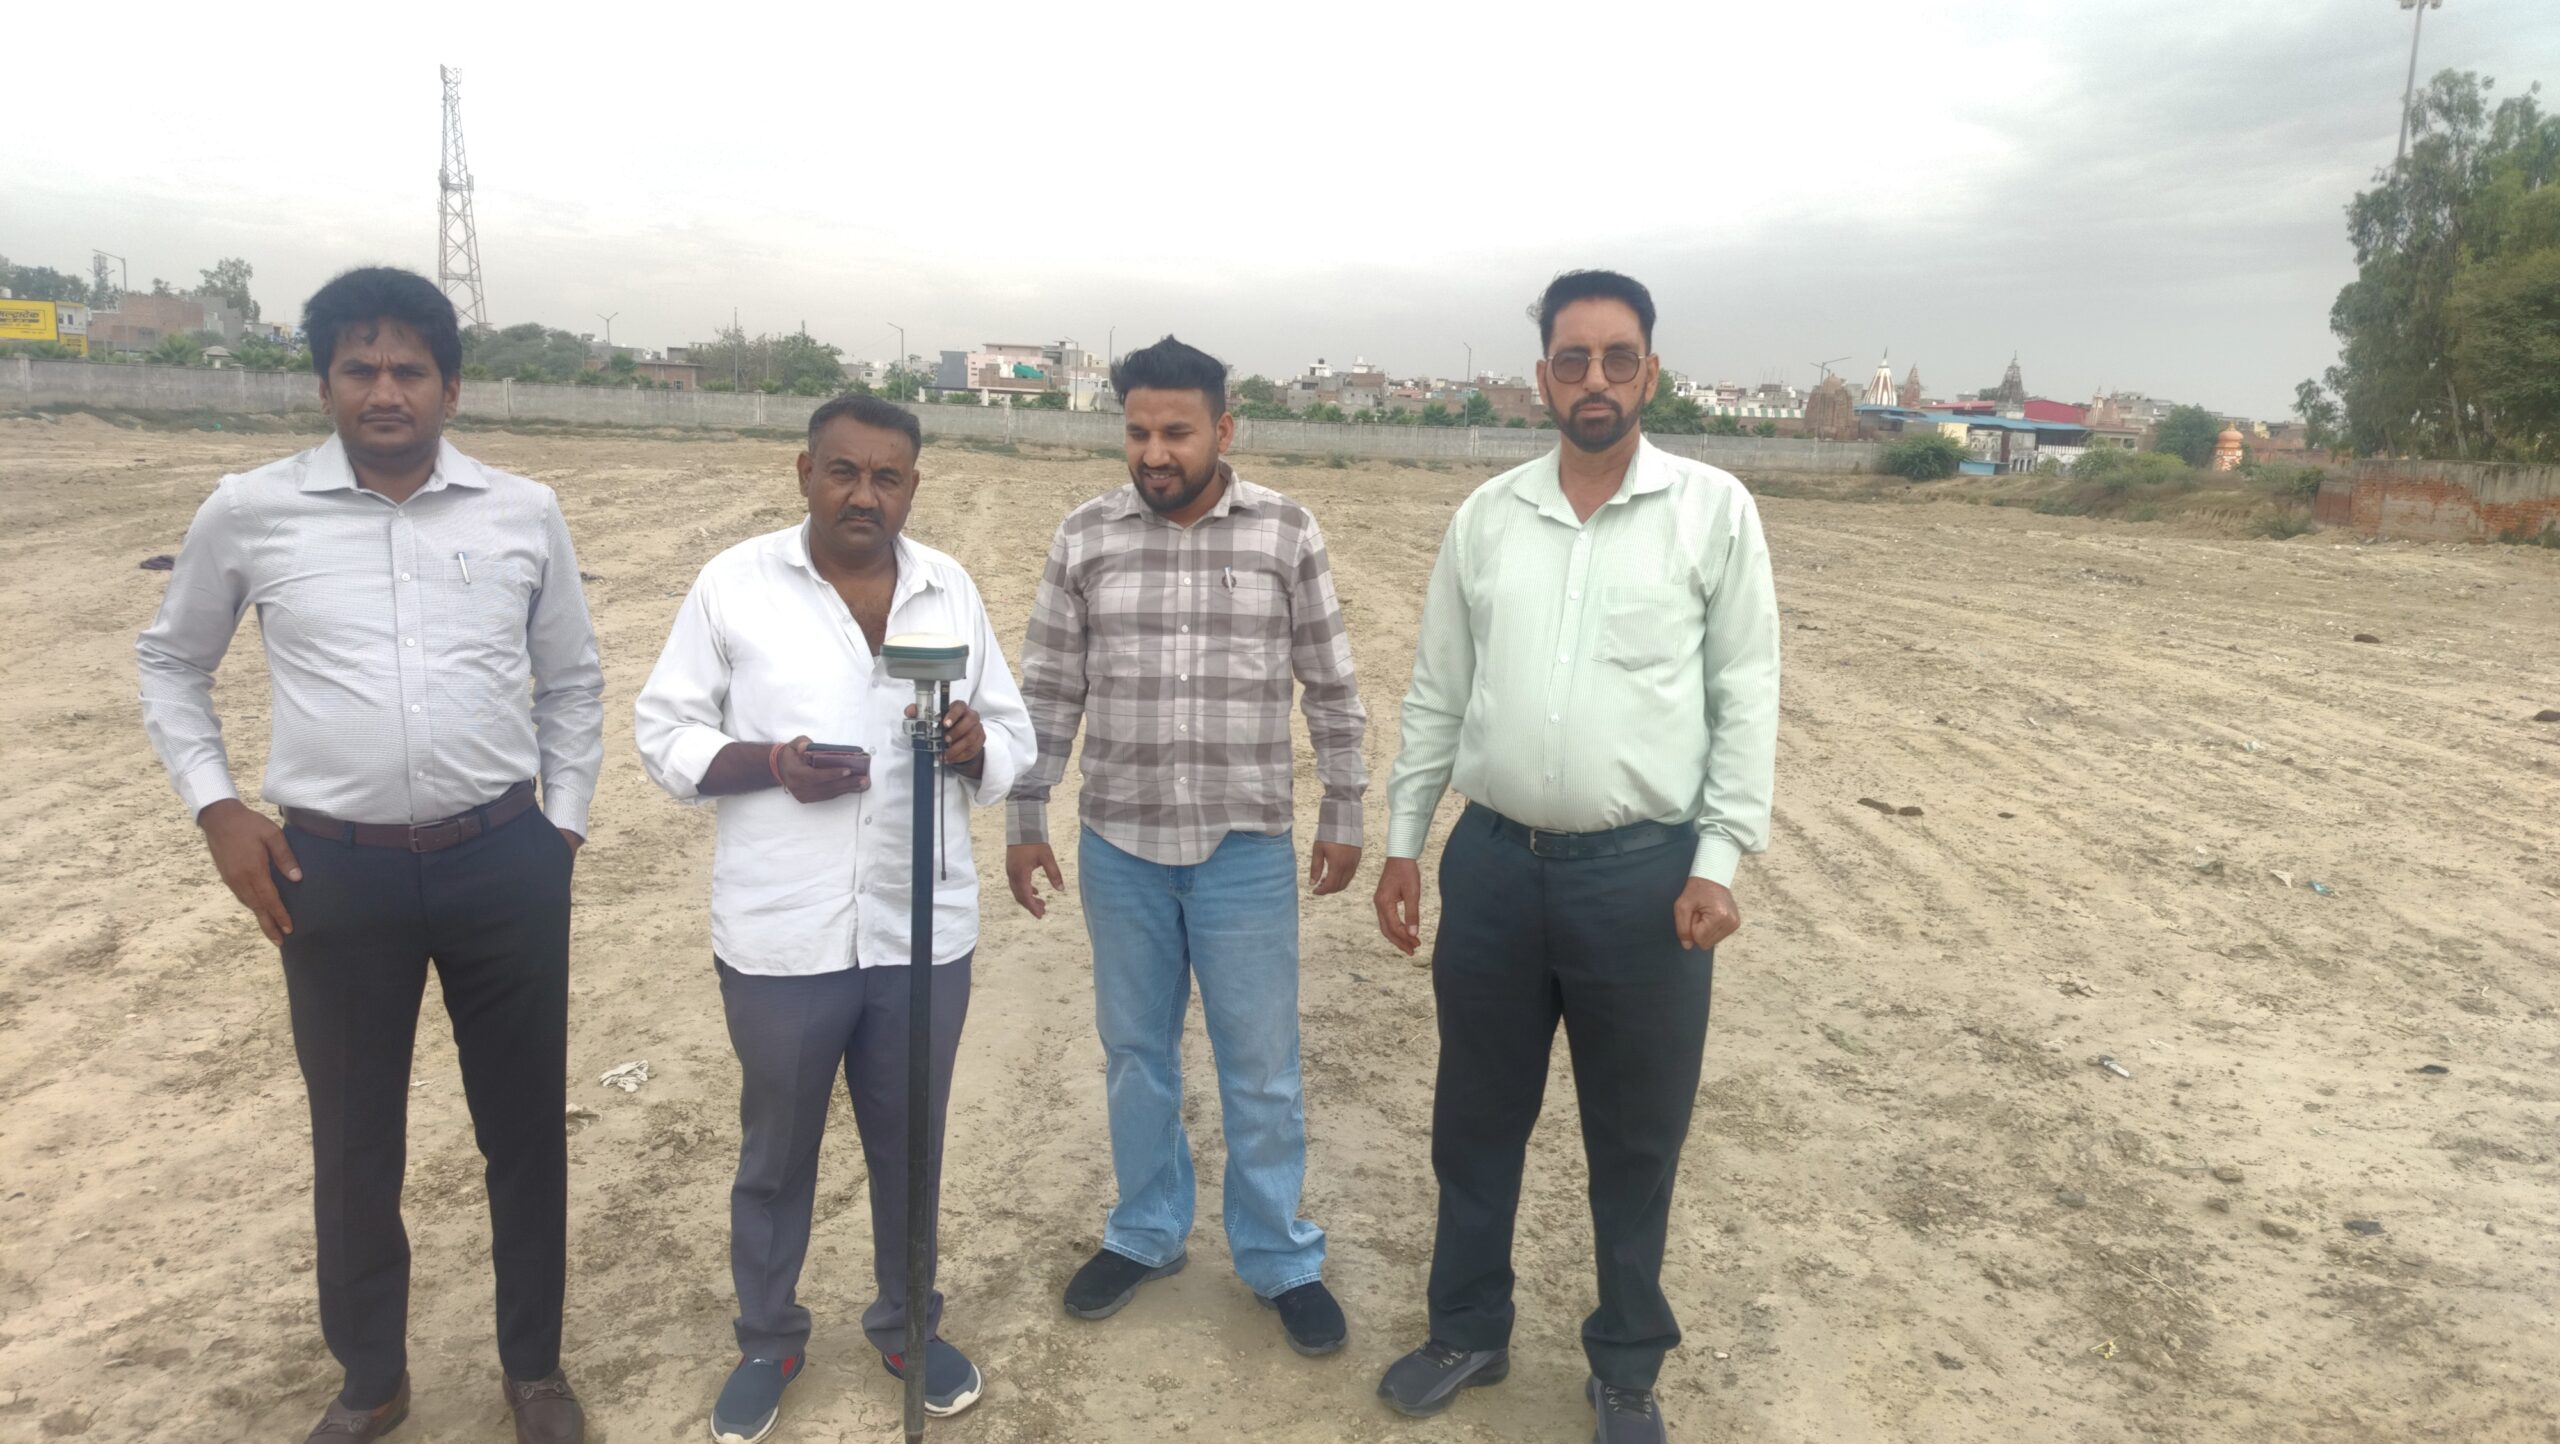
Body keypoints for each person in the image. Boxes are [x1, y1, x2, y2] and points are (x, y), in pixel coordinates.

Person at [135, 266, 602, 1443]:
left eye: (408, 369)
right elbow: (172, 661)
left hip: (504, 859)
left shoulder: (523, 510)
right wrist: (216, 806)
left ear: (451, 387)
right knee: (353, 1137)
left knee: (522, 1128)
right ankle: (371, 1379)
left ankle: (534, 1370)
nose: (384, 390)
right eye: (359, 367)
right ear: (325, 385)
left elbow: (572, 679)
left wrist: (562, 828)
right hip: (332, 874)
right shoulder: (250, 510)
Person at [1369, 270, 1780, 1444]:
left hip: (1643, 881)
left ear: (1650, 372)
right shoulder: (1488, 517)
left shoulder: (1710, 511)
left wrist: (1717, 860)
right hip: (1494, 868)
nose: (1593, 380)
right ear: (1541, 375)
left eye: (1616, 358)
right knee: (1475, 1117)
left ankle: (1626, 1365)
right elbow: (1438, 690)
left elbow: (1745, 692)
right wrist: (1404, 840)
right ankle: (1467, 1328)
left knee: (1635, 1136)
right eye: (1570, 358)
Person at [634, 393, 1033, 1442]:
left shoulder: (948, 590)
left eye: (887, 476)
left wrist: (974, 746)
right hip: (783, 932)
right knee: (777, 1151)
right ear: (803, 472)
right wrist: (770, 763)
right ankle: (768, 1338)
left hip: (920, 930)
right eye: (844, 471)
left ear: (913, 486)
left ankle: (907, 1325)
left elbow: (1012, 733)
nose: (865, 494)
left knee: (911, 1144)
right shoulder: (734, 585)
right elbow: (665, 731)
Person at [1004, 335, 1367, 1358]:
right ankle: (1147, 1230)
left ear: (1223, 429)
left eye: (1176, 432)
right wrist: (1026, 817)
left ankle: (1279, 1255)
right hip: (1119, 843)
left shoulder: (1285, 532)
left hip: (1244, 845)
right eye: (1137, 432)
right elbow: (1049, 690)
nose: (1154, 453)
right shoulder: (1084, 536)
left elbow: (1331, 684)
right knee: (1135, 1054)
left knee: (1260, 1065)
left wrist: (1343, 808)